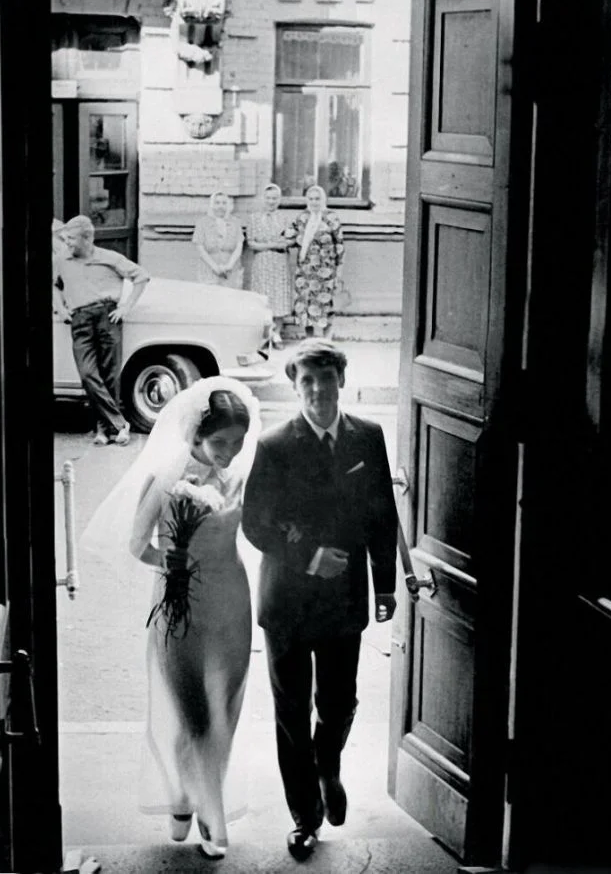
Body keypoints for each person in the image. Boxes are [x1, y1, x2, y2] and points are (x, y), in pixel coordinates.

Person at [81, 377, 261, 861]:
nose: (231, 452)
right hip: (180, 605)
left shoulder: (241, 474)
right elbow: (136, 545)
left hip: (232, 601)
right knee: (193, 713)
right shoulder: (166, 476)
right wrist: (171, 561)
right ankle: (195, 801)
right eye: (221, 442)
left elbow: (259, 528)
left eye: (239, 441)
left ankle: (202, 797)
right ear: (196, 435)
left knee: (225, 710)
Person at [242, 339, 399, 862]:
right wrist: (310, 557)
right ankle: (305, 817)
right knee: (291, 710)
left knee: (338, 701)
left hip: (344, 600)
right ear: (295, 387)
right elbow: (255, 524)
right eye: (306, 381)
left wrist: (385, 585)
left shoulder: (368, 437)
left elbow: (382, 515)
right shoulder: (273, 445)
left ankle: (327, 762)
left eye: (325, 379)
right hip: (286, 602)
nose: (317, 390)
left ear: (341, 381)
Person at [53, 215, 150, 446]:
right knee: (87, 374)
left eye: (71, 239)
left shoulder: (110, 258)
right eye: (65, 239)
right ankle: (120, 424)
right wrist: (60, 308)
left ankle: (103, 431)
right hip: (79, 319)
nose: (67, 243)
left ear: (87, 239)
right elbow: (54, 285)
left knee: (109, 375)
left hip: (107, 316)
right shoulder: (61, 260)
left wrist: (126, 307)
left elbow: (141, 277)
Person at [283, 185, 345, 338]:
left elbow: (340, 246)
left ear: (323, 199)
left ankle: (323, 340)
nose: (314, 202)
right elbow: (288, 235)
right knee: (305, 304)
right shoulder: (302, 217)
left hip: (325, 271)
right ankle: (309, 340)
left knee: (323, 305)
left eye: (317, 199)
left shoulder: (331, 217)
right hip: (304, 270)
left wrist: (339, 272)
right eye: (310, 199)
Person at [246, 183, 292, 348]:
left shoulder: (285, 218)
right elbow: (251, 242)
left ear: (279, 200)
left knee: (279, 296)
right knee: (262, 297)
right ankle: (264, 335)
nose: (271, 202)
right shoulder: (254, 218)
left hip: (279, 261)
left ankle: (277, 333)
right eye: (268, 198)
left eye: (274, 198)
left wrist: (279, 244)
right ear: (263, 199)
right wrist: (271, 244)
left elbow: (289, 241)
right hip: (262, 261)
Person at [192, 191, 244, 288]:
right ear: (212, 205)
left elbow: (239, 247)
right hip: (209, 269)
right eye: (217, 203)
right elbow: (200, 249)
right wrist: (215, 267)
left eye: (224, 203)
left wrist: (229, 266)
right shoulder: (202, 223)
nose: (221, 206)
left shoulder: (236, 222)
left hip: (231, 271)